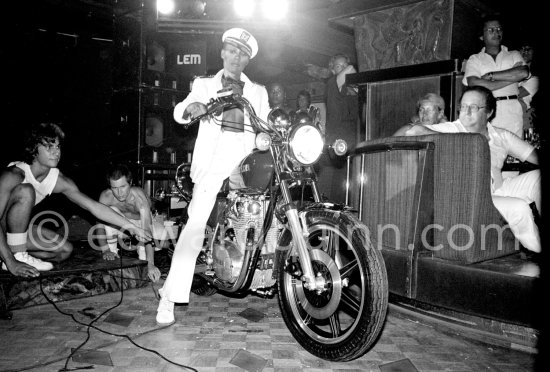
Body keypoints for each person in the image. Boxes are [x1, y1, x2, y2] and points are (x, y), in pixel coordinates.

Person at [158, 28, 270, 325]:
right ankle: (169, 298)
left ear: (248, 59)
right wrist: (191, 108)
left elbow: (268, 127)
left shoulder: (258, 91)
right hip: (212, 164)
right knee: (194, 227)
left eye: (243, 53)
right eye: (232, 50)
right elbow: (181, 111)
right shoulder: (205, 84)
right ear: (222, 52)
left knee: (261, 221)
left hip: (246, 163)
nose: (237, 57)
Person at [0, 123, 152, 278]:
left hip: (16, 234)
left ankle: (15, 255)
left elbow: (94, 207)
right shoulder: (13, 174)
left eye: (58, 147)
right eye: (48, 147)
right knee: (26, 191)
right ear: (34, 149)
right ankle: (13, 256)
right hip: (3, 229)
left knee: (65, 250)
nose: (56, 152)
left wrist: (132, 228)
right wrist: (11, 262)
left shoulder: (58, 179)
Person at [405, 86, 540, 253]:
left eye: (474, 107)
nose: (466, 112)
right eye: (463, 107)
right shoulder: (452, 129)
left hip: (498, 190)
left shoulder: (501, 136)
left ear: (489, 112)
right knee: (519, 208)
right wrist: (460, 140)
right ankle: (537, 253)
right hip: (469, 199)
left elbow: (534, 156)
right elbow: (413, 131)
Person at [462, 15, 530, 137]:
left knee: (514, 151)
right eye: (491, 30)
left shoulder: (513, 54)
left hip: (512, 109)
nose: (496, 32)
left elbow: (523, 73)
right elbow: (474, 83)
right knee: (489, 151)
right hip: (486, 111)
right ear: (481, 36)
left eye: (499, 29)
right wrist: (512, 78)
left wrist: (490, 75)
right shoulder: (475, 59)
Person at [96, 164, 161, 283]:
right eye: (114, 188)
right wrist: (105, 250)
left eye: (123, 186)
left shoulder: (139, 198)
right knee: (110, 212)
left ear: (130, 183)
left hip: (143, 225)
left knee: (145, 262)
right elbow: (99, 226)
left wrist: (150, 264)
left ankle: (145, 252)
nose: (119, 192)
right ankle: (113, 255)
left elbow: (147, 231)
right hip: (123, 226)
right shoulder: (106, 197)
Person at [321, 53, 359, 203]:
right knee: (337, 189)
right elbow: (351, 69)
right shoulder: (332, 84)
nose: (343, 68)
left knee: (350, 189)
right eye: (339, 66)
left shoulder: (352, 90)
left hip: (353, 143)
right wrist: (350, 70)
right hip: (337, 144)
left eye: (344, 65)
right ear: (332, 70)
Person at [518, 43, 539, 131]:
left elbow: (515, 93)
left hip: (524, 121)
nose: (525, 51)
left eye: (528, 49)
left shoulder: (534, 79)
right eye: (523, 48)